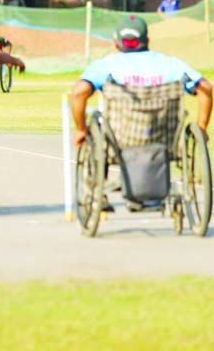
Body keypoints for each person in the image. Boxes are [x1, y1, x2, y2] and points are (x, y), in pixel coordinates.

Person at [71, 15, 211, 210]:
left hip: (118, 141)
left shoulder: (106, 65)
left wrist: (81, 129)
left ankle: (95, 192)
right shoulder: (171, 64)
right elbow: (206, 88)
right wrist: (202, 128)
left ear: (116, 42)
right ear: (147, 41)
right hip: (166, 141)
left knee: (96, 126)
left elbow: (79, 93)